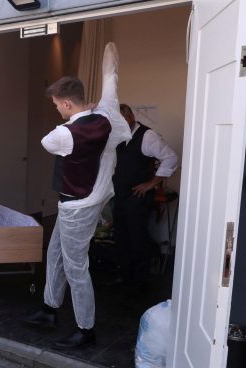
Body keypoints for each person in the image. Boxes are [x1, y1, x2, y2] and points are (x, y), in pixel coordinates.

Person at [25, 43, 131, 349]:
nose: (57, 110)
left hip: (77, 207)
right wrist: (109, 52)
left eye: (57, 105)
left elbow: (47, 141)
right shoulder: (107, 113)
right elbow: (111, 76)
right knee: (55, 253)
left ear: (67, 103)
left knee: (76, 267)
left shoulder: (62, 135)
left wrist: (77, 118)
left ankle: (86, 329)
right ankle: (49, 309)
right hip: (92, 198)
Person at [111, 103, 178, 290]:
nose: (120, 125)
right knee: (121, 236)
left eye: (122, 121)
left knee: (138, 238)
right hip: (120, 195)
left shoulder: (147, 136)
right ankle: (124, 276)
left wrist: (151, 184)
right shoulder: (118, 136)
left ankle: (140, 282)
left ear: (131, 117)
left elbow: (171, 158)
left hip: (137, 197)